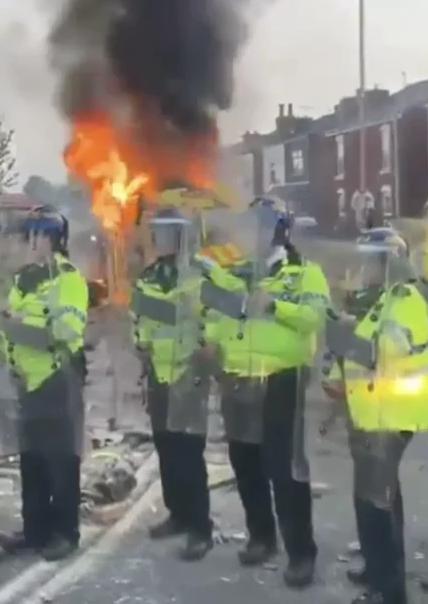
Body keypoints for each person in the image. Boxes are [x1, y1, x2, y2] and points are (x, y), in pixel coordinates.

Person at [200, 198, 329, 588]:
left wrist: (276, 305)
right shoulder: (236, 272)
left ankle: (301, 554)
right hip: (237, 378)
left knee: (285, 470)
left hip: (280, 380)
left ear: (277, 229)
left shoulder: (303, 273)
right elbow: (220, 317)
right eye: (248, 226)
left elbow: (315, 318)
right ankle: (261, 536)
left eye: (260, 226)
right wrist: (211, 344)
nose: (251, 233)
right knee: (245, 463)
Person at [325, 227, 428, 604]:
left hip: (393, 416)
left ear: (387, 262)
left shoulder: (406, 300)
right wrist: (333, 374)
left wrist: (338, 332)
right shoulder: (378, 301)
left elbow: (383, 350)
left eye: (371, 261)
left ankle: (389, 591)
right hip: (371, 415)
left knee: (381, 502)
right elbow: (355, 352)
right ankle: (375, 569)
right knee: (369, 497)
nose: (364, 267)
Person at [0, 205, 88, 562]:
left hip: (57, 377)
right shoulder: (25, 280)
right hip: (27, 380)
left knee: (61, 461)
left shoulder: (68, 279)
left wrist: (31, 321)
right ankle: (34, 530)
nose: (29, 242)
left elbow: (68, 332)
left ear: (52, 239)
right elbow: (10, 327)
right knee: (31, 461)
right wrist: (12, 339)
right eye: (28, 235)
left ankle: (65, 532)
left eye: (36, 235)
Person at [132, 206, 214, 562]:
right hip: (159, 373)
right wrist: (141, 343)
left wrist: (203, 354)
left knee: (189, 451)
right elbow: (141, 319)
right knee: (166, 447)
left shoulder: (203, 273)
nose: (160, 240)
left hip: (188, 372)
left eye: (167, 234)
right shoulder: (149, 277)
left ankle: (200, 527)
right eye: (157, 233)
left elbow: (216, 319)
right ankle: (177, 513)